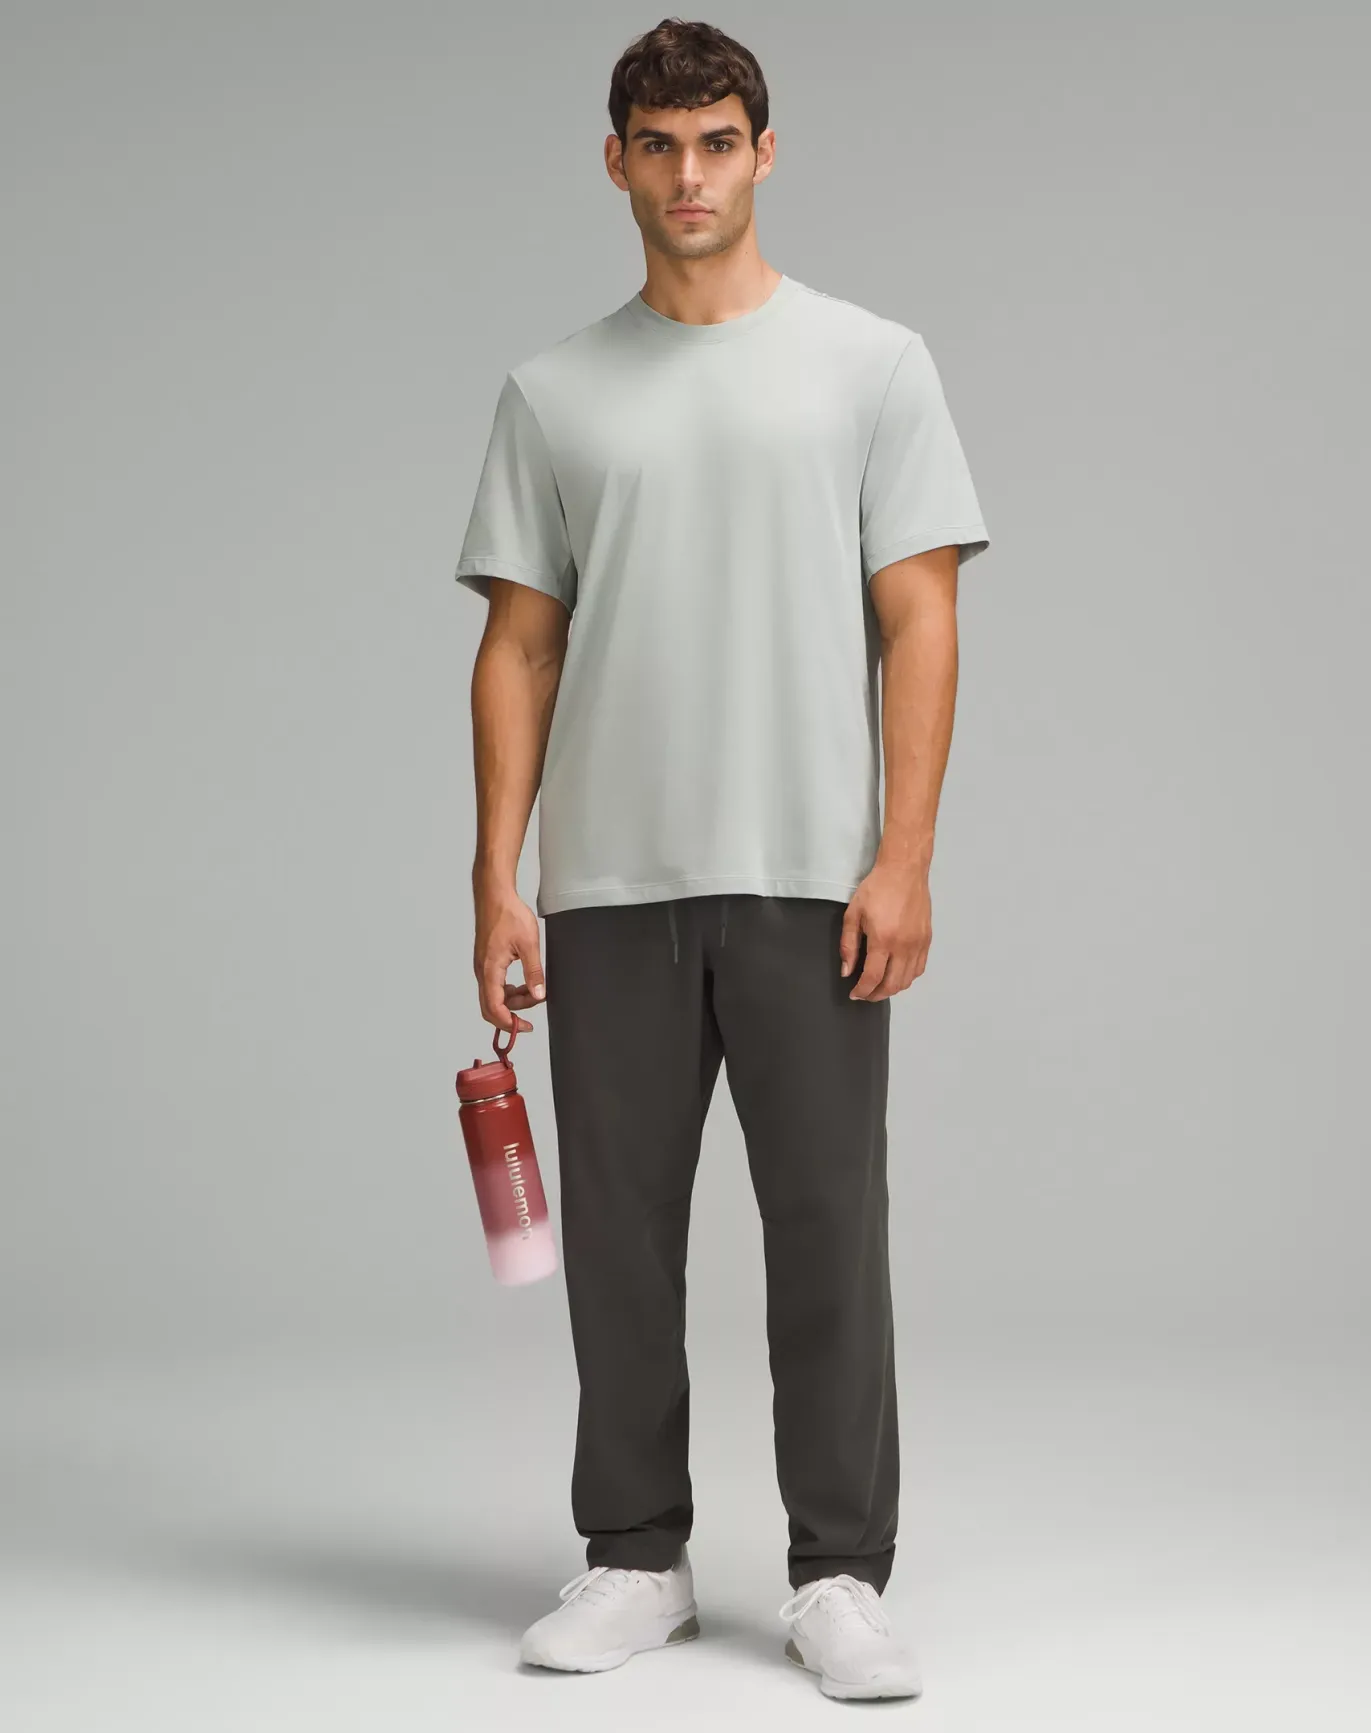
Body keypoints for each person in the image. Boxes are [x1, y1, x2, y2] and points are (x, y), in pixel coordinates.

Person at [453, 16, 989, 1703]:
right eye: (659, 144)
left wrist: (905, 858)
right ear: (615, 161)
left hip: (815, 879)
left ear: (765, 152)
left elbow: (921, 620)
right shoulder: (551, 393)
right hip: (611, 883)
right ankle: (635, 1557)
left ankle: (839, 1575)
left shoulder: (872, 365)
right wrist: (496, 876)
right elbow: (518, 646)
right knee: (620, 1237)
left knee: (829, 1227)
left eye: (717, 142)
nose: (689, 174)